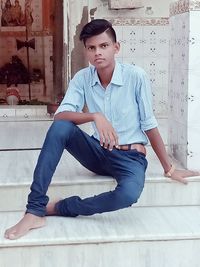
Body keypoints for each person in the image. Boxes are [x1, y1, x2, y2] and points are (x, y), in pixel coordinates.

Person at [4, 19, 199, 240]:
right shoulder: (82, 78)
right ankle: (34, 209)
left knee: (128, 194)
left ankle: (59, 208)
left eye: (104, 46)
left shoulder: (136, 77)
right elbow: (60, 115)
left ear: (116, 48)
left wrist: (169, 168)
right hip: (98, 153)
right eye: (92, 47)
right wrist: (95, 116)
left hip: (130, 158)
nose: (98, 52)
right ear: (86, 51)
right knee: (60, 128)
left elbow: (149, 124)